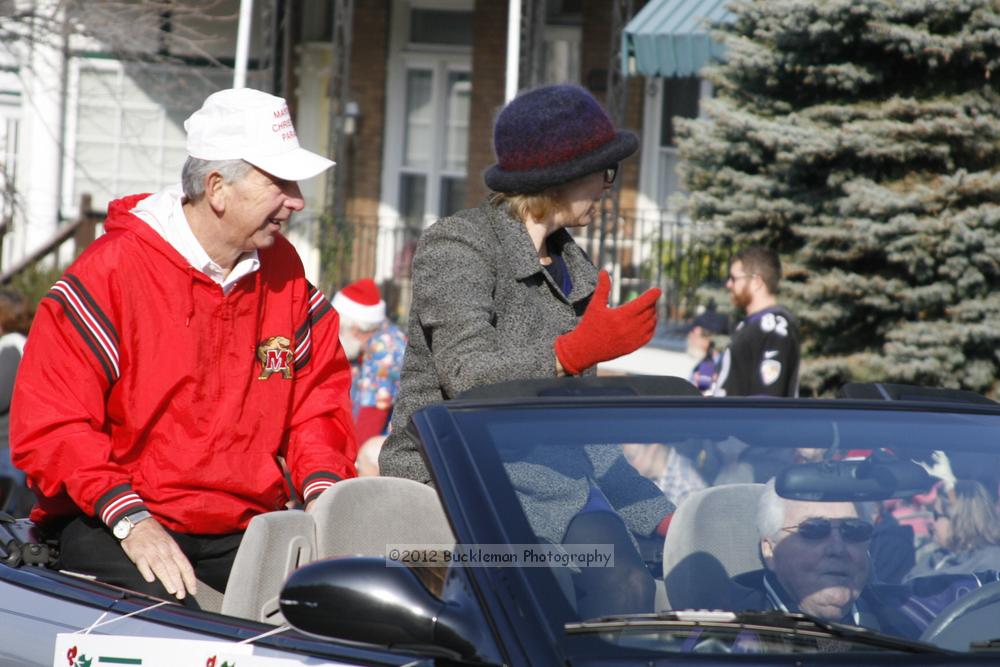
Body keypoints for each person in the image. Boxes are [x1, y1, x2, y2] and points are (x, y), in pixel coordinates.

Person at [10, 88, 357, 605]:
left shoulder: (286, 274)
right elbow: (53, 425)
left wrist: (324, 496)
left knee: (333, 605)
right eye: (279, 183)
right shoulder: (112, 271)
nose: (297, 201)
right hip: (114, 518)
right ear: (217, 187)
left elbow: (316, 407)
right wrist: (130, 518)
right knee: (180, 616)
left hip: (242, 524)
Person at [378, 84, 670, 617]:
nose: (609, 185)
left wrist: (657, 513)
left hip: (552, 487)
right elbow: (468, 375)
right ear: (557, 178)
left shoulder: (572, 267)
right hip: (453, 484)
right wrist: (568, 354)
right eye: (604, 170)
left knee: (628, 585)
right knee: (534, 594)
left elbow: (582, 430)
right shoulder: (458, 244)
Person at [728, 479, 920, 637]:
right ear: (769, 550)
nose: (838, 548)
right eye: (814, 530)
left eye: (853, 530)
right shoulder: (728, 628)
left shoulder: (902, 628)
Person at [714, 247, 800, 397]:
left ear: (757, 282)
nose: (728, 284)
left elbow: (766, 401)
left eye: (734, 278)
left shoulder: (774, 328)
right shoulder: (752, 326)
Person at [332, 278, 407, 444]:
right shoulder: (363, 346)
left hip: (388, 445)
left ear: (355, 328)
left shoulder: (386, 349)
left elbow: (372, 416)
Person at [686, 302, 728, 395]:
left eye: (695, 335)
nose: (690, 338)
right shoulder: (702, 365)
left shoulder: (723, 366)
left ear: (710, 338)